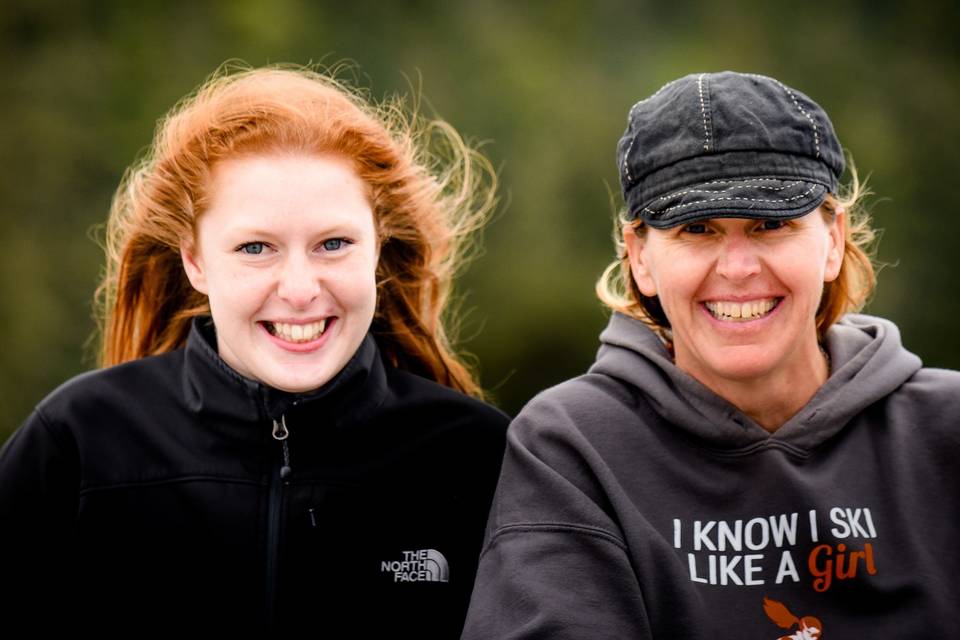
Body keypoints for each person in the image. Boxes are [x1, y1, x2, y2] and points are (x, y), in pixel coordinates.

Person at [0, 65, 508, 636]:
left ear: (377, 249)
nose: (298, 288)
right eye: (255, 247)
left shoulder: (479, 457)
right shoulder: (78, 441)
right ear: (195, 262)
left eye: (333, 244)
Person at [462, 71, 960, 638]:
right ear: (640, 257)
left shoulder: (946, 428)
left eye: (771, 224)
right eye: (696, 228)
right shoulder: (572, 447)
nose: (738, 268)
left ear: (834, 240)